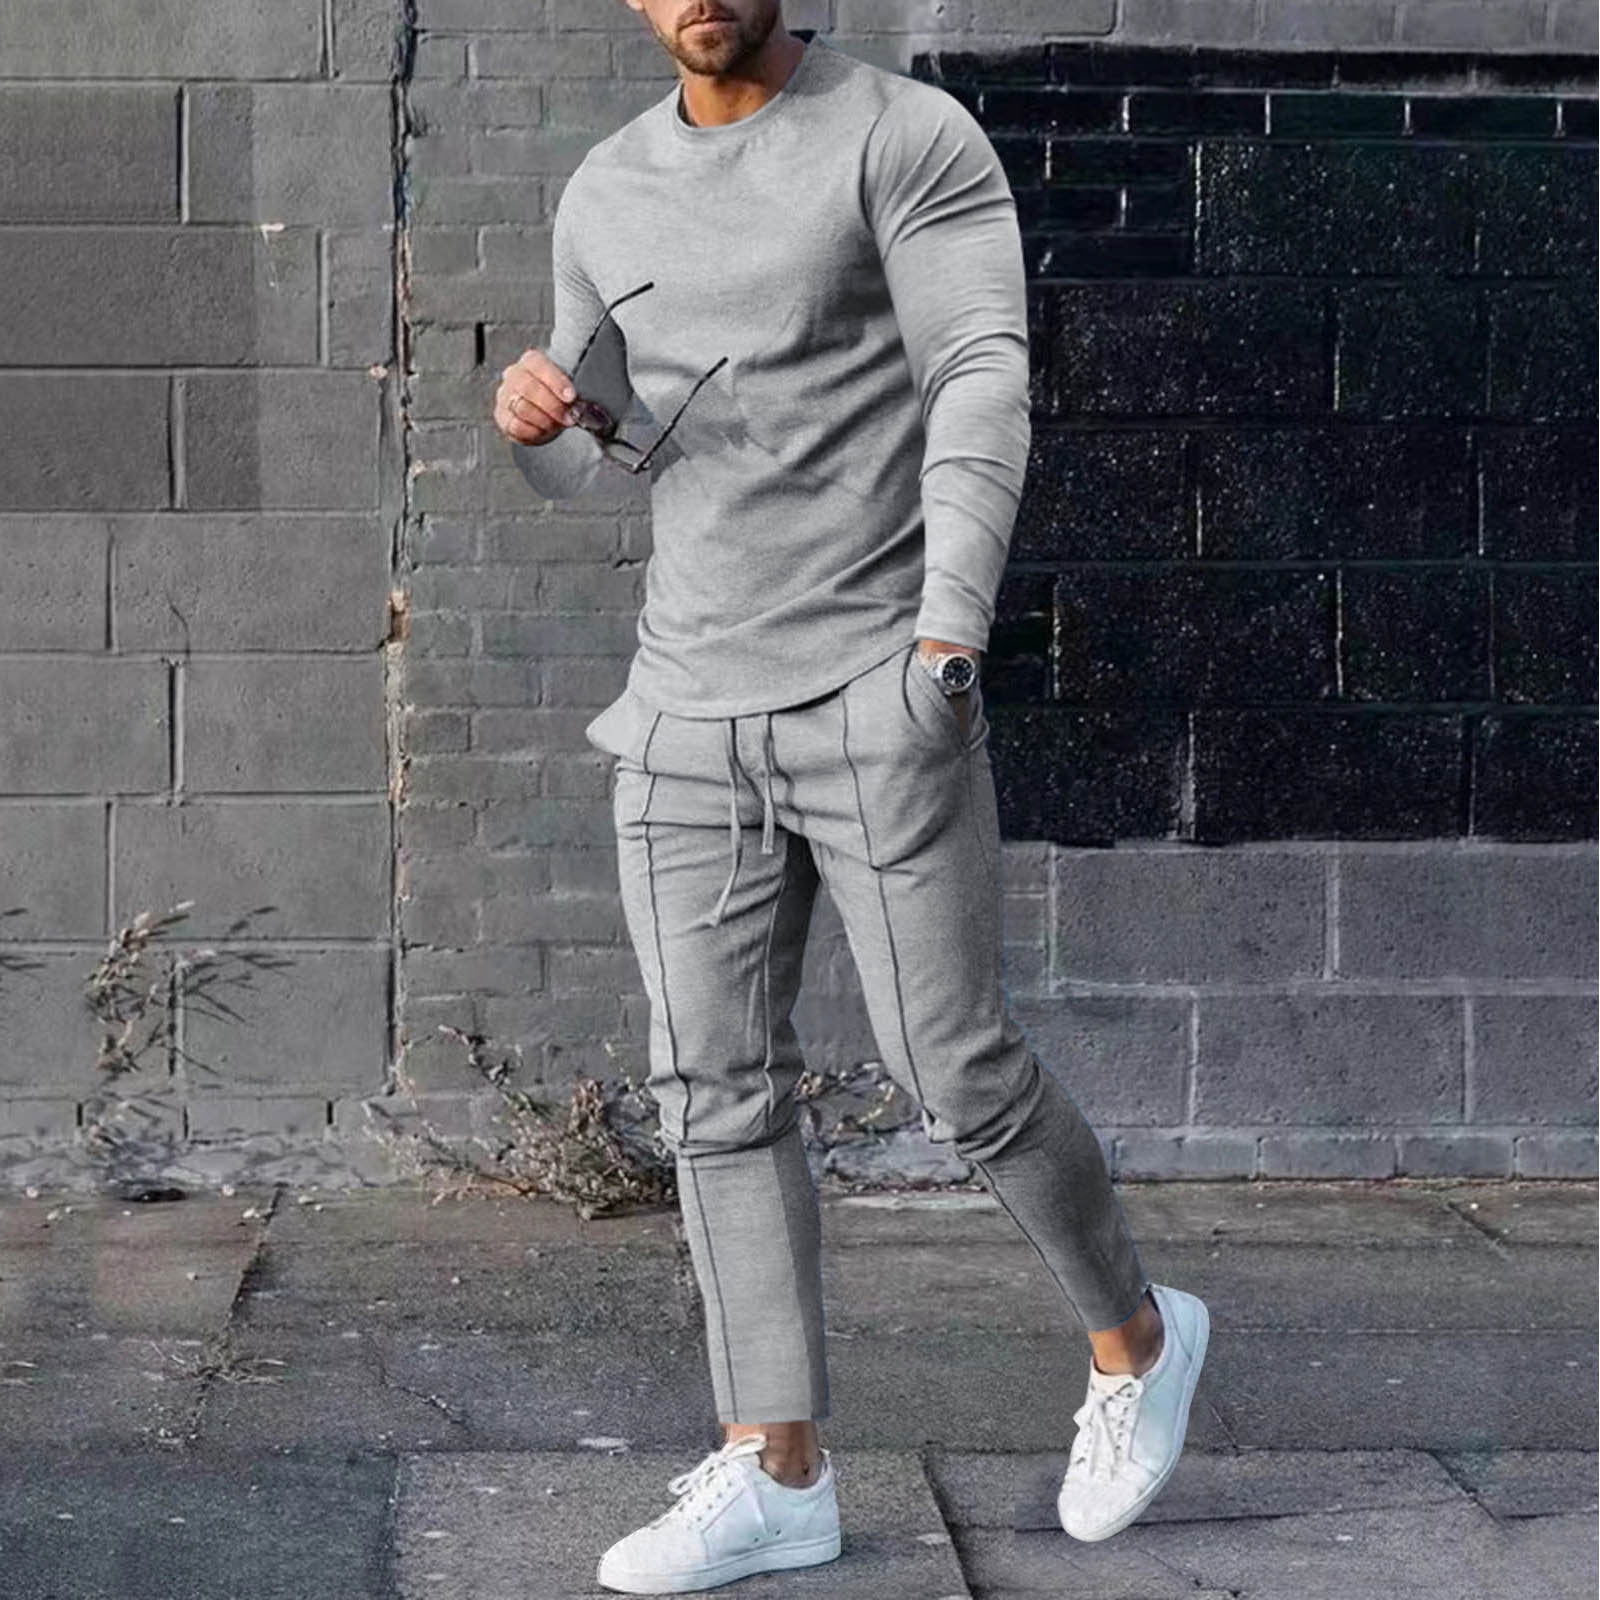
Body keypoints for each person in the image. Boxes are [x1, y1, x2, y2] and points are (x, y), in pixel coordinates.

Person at [491, 5, 1211, 1592]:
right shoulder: (607, 189)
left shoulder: (902, 137)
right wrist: (551, 421)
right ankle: (778, 1471)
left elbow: (979, 375)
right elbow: (626, 445)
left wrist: (945, 642)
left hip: (876, 686)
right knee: (712, 1092)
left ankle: (1140, 1340)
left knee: (958, 1071)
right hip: (685, 707)